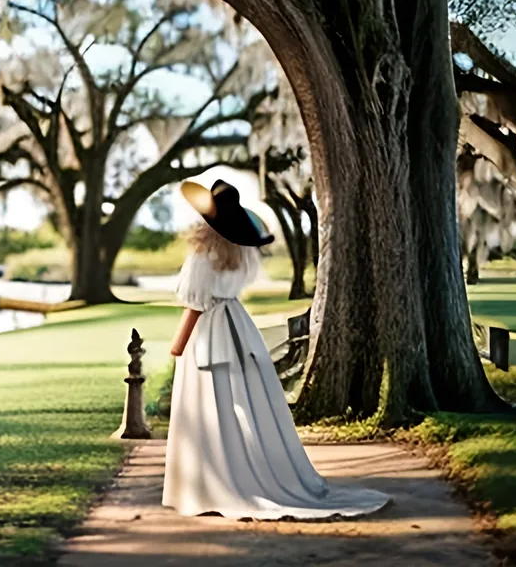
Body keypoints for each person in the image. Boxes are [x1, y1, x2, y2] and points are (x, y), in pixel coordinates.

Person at [162, 178, 390, 520]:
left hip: (210, 331)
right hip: (237, 326)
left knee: (212, 403)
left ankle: (211, 482)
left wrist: (177, 345)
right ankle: (239, 472)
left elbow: (195, 304)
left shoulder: (203, 254)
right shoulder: (241, 253)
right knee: (242, 402)